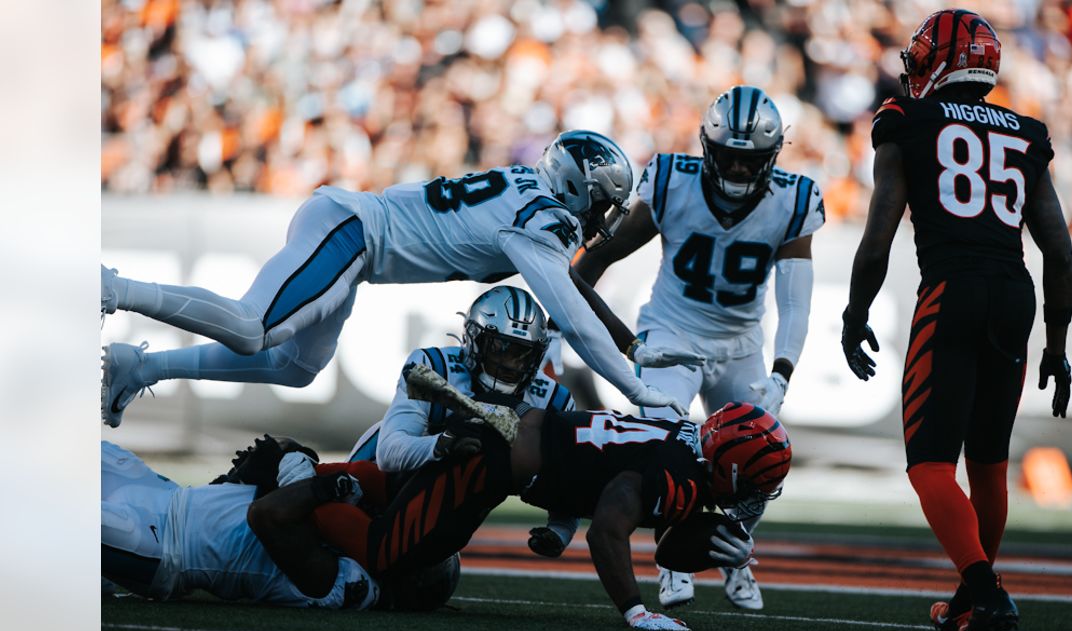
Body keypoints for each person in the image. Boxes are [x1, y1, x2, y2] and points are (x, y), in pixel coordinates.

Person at [100, 130, 703, 427]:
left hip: (354, 239)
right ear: (578, 189)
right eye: (602, 201)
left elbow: (573, 293)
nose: (604, 217)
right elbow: (569, 313)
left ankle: (142, 366)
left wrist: (632, 345)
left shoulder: (535, 203)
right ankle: (111, 288)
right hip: (353, 230)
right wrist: (635, 385)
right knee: (253, 328)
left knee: (296, 366)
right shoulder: (540, 222)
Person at [840, 9, 1072, 631]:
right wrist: (1056, 344)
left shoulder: (905, 117)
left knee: (930, 464)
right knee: (990, 461)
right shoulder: (1027, 132)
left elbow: (880, 229)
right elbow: (1058, 249)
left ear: (936, 61)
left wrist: (856, 311)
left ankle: (986, 590)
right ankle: (973, 600)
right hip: (1016, 293)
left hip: (953, 290)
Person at [572, 86, 823, 611]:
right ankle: (671, 560)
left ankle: (732, 556)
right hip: (670, 336)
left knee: (762, 458)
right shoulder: (671, 183)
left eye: (748, 159)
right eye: (727, 155)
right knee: (664, 442)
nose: (735, 168)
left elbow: (795, 303)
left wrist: (781, 373)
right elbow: (590, 264)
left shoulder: (793, 201)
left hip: (741, 345)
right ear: (707, 147)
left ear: (772, 157)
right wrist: (619, 338)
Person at [295, 396, 789, 631]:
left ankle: (313, 477)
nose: (756, 497)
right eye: (757, 483)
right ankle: (296, 486)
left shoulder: (686, 449)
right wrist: (635, 610)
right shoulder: (676, 469)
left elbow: (670, 543)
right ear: (728, 466)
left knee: (402, 520)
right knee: (389, 553)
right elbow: (607, 531)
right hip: (487, 458)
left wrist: (715, 540)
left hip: (506, 457)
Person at [346, 285, 580, 557]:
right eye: (500, 348)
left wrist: (561, 530)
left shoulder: (553, 399)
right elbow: (388, 454)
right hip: (379, 480)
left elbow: (567, 478)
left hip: (442, 512)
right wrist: (443, 444)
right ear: (472, 338)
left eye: (521, 353)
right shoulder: (434, 366)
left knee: (430, 583)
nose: (510, 364)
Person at [100, 438, 389, 610]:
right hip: (168, 495)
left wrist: (326, 486)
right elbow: (280, 456)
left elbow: (265, 515)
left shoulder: (341, 581)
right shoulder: (322, 519)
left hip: (165, 552)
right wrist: (287, 456)